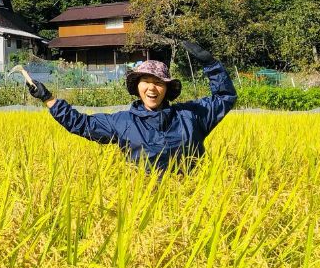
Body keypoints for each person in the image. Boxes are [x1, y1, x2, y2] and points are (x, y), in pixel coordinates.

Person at [27, 41, 237, 172]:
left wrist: (211, 65)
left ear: (167, 88)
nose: (152, 88)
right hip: (143, 201)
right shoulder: (123, 122)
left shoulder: (191, 116)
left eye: (158, 82)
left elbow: (225, 97)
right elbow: (81, 124)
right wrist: (47, 98)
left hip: (191, 200)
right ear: (137, 87)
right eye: (145, 81)